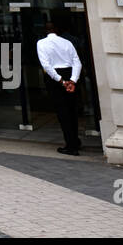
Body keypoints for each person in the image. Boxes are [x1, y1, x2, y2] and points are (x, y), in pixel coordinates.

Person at [36, 20, 82, 155]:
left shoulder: (41, 43)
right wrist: (73, 81)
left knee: (63, 113)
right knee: (72, 111)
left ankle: (71, 145)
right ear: (57, 30)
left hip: (56, 78)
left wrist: (61, 81)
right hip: (70, 74)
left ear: (46, 31)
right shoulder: (67, 43)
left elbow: (46, 65)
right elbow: (77, 62)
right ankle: (75, 141)